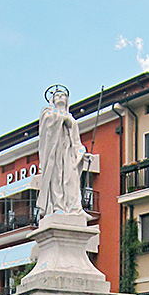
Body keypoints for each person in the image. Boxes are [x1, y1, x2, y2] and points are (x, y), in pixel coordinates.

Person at [37, 86, 90, 216]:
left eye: (63, 95)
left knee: (72, 179)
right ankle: (58, 207)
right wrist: (61, 118)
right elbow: (47, 124)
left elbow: (76, 139)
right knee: (56, 178)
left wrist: (82, 153)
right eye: (57, 95)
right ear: (52, 100)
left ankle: (75, 208)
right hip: (54, 151)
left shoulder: (71, 118)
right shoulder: (47, 112)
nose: (60, 97)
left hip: (69, 152)